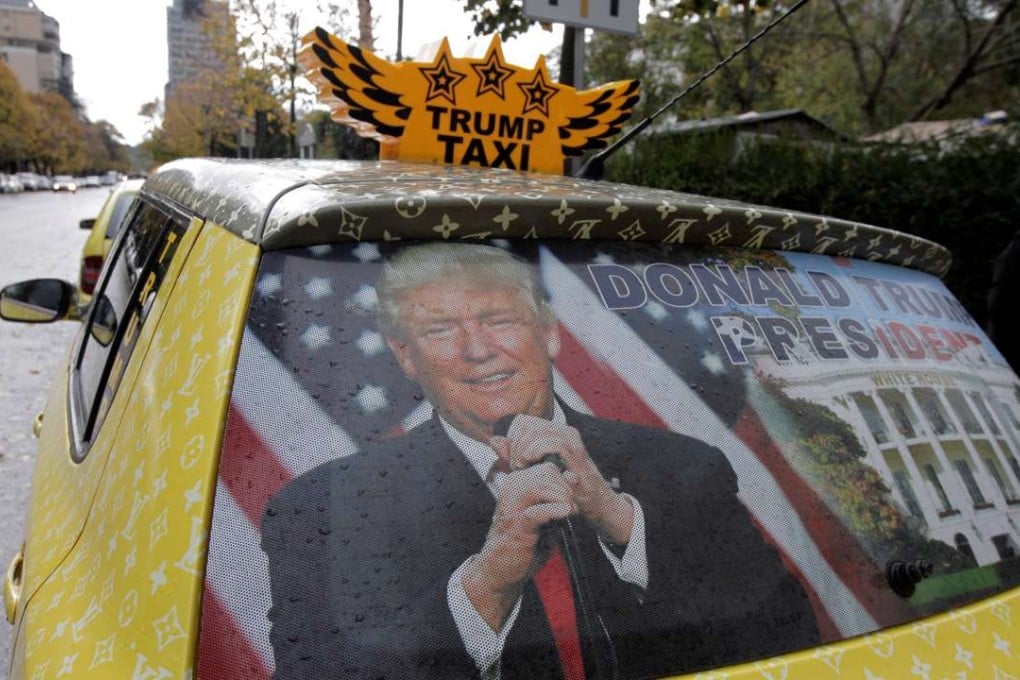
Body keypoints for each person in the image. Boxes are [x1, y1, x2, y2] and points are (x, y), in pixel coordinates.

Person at [262, 243, 819, 680]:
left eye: (499, 319)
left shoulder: (686, 467)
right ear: (405, 356)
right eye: (440, 330)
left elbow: (789, 640)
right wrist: (485, 586)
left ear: (549, 333)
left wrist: (622, 523)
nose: (477, 349)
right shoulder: (323, 510)